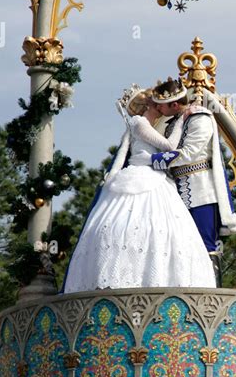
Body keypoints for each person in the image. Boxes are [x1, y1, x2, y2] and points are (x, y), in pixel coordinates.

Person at [61, 85, 216, 292]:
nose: (159, 105)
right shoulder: (139, 122)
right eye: (155, 101)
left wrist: (156, 155)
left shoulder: (154, 125)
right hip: (141, 177)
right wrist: (180, 120)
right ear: (148, 104)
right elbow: (170, 147)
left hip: (159, 177)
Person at [141, 77, 236, 287]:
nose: (159, 110)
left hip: (201, 192)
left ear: (175, 104)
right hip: (176, 194)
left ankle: (212, 297)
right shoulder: (174, 123)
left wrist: (152, 161)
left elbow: (189, 153)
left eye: (161, 106)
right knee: (180, 247)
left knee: (206, 246)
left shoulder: (200, 118)